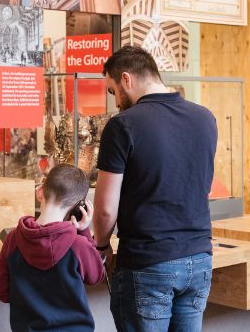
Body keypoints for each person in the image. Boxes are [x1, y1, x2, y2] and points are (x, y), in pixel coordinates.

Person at [92, 46, 217, 331]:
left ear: (126, 79)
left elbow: (105, 210)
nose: (116, 103)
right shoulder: (205, 118)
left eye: (112, 92)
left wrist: (101, 245)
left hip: (148, 263)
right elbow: (199, 186)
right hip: (199, 259)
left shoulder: (122, 126)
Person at [0, 164, 105, 331]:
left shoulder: (12, 239)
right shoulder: (78, 245)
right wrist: (83, 231)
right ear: (78, 207)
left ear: (40, 191)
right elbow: (96, 276)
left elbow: (0, 290)